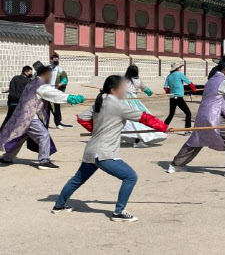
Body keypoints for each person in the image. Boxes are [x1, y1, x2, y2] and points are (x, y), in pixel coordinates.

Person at [52, 75, 168, 222]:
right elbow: (144, 118)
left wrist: (96, 130)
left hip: (91, 150)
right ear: (113, 89)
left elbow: (82, 118)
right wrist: (164, 128)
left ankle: (58, 206)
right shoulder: (117, 105)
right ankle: (119, 212)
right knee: (130, 177)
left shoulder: (100, 102)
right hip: (104, 152)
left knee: (77, 179)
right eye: (122, 88)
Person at [0, 62, 85, 169]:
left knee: (21, 136)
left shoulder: (32, 82)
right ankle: (43, 160)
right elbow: (53, 94)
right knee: (43, 135)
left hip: (22, 115)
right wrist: (71, 98)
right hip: (29, 116)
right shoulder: (41, 85)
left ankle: (7, 157)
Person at [121, 65, 166, 148]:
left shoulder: (123, 79)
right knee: (138, 120)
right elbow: (144, 88)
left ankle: (129, 137)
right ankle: (138, 140)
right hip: (133, 101)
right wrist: (149, 92)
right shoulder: (137, 80)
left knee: (124, 119)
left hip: (123, 100)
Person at [163, 63, 196, 128]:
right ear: (177, 68)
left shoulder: (169, 76)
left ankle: (162, 127)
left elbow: (165, 87)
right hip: (178, 97)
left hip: (172, 97)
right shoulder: (180, 74)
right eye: (180, 67)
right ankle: (187, 130)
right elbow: (188, 82)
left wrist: (168, 91)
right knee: (188, 113)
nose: (180, 68)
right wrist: (193, 88)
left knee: (171, 114)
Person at [1, 65, 33, 131]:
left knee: (8, 118)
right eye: (30, 72)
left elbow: (12, 88)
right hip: (21, 103)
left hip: (12, 102)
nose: (31, 74)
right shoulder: (28, 81)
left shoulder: (14, 78)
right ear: (26, 72)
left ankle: (2, 131)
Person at [49, 53, 71, 129]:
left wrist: (60, 84)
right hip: (46, 90)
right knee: (45, 108)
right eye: (54, 60)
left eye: (57, 60)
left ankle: (58, 123)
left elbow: (65, 79)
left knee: (56, 107)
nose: (56, 61)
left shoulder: (60, 70)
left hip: (55, 90)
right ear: (51, 60)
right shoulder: (46, 69)